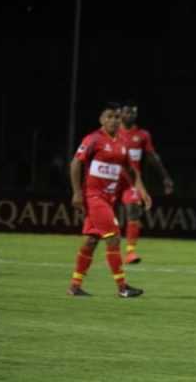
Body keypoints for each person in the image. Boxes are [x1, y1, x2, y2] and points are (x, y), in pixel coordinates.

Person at [67, 102, 150, 298]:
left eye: (116, 117)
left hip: (108, 199)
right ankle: (123, 288)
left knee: (90, 241)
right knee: (113, 237)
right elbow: (75, 163)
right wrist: (77, 192)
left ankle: (74, 286)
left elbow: (132, 171)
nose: (113, 120)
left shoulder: (122, 144)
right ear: (101, 120)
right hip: (94, 197)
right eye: (109, 117)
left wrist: (143, 192)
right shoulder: (93, 139)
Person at [117, 99, 174, 264]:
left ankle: (130, 252)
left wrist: (165, 177)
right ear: (120, 113)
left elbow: (152, 158)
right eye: (127, 111)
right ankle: (112, 252)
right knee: (107, 218)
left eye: (133, 112)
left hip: (132, 182)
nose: (130, 115)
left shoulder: (142, 135)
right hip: (111, 180)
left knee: (133, 210)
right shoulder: (112, 132)